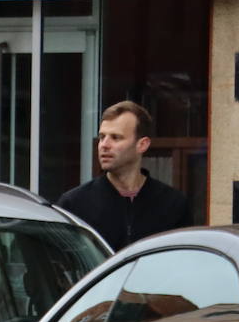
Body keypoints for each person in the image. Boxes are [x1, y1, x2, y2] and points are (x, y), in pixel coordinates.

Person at [57, 101, 191, 252]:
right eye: (102, 137)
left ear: (142, 144)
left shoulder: (173, 204)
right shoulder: (74, 204)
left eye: (115, 137)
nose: (104, 145)